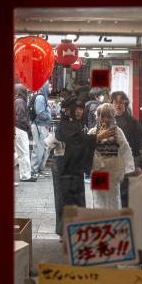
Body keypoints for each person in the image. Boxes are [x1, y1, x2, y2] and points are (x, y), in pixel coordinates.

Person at [54, 99, 115, 234]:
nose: (79, 111)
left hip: (75, 168)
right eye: (76, 109)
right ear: (70, 110)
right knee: (66, 199)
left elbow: (81, 141)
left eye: (81, 109)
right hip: (65, 169)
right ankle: (65, 230)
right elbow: (77, 140)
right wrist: (97, 137)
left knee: (76, 199)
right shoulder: (66, 124)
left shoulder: (77, 124)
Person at [88, 103, 134, 209]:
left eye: (108, 116)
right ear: (98, 116)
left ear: (113, 117)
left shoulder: (117, 132)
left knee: (113, 199)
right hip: (98, 170)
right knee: (99, 199)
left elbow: (125, 149)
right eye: (102, 116)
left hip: (113, 172)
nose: (105, 119)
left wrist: (128, 168)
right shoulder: (93, 132)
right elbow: (86, 149)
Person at [111, 91, 142, 207]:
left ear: (126, 104)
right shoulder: (105, 122)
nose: (118, 105)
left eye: (121, 102)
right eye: (115, 102)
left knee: (126, 201)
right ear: (111, 104)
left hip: (128, 168)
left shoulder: (133, 123)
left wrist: (138, 165)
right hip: (109, 169)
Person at [14, 84, 37, 182]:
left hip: (18, 128)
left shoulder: (17, 100)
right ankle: (25, 175)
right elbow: (21, 117)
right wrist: (28, 128)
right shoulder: (20, 101)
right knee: (24, 152)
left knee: (21, 153)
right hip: (21, 129)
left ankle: (25, 174)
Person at [31, 81, 52, 178]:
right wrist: (49, 116)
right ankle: (34, 170)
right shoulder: (40, 98)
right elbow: (40, 112)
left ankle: (40, 169)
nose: (51, 89)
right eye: (49, 87)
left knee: (45, 148)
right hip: (39, 125)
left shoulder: (43, 97)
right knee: (39, 148)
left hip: (43, 125)